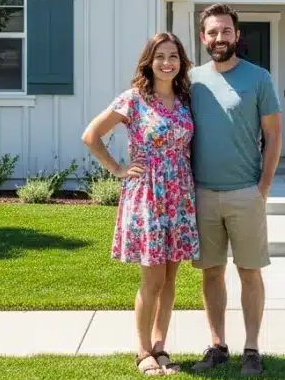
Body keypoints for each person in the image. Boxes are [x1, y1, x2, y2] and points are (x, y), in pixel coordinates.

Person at [81, 32, 199, 376]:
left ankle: (162, 347)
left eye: (173, 56)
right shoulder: (133, 100)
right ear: (149, 61)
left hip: (179, 194)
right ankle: (143, 351)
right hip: (148, 195)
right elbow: (91, 135)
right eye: (160, 56)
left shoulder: (184, 100)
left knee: (171, 278)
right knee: (152, 280)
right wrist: (117, 168)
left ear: (181, 62)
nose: (167, 62)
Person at [188, 3, 283, 375]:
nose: (219, 38)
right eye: (212, 32)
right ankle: (217, 345)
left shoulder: (259, 78)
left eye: (226, 31)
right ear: (203, 37)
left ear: (237, 35)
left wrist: (263, 187)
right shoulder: (191, 80)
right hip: (203, 193)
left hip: (246, 192)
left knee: (249, 272)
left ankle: (252, 349)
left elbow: (274, 136)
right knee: (210, 273)